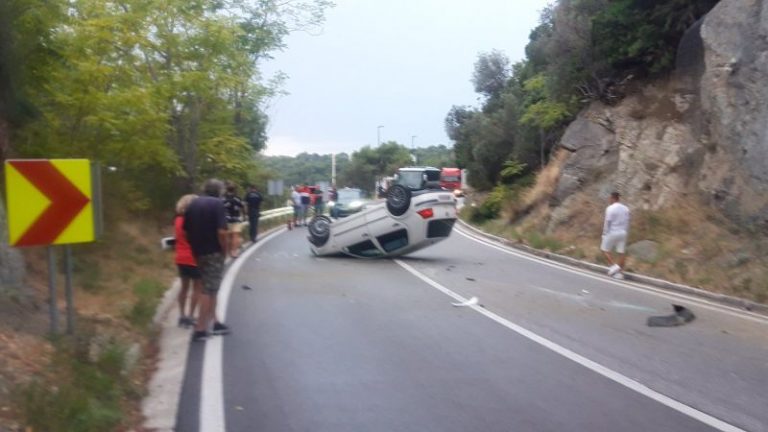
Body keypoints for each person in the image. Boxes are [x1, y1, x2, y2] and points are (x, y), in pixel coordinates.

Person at [184, 179, 231, 342]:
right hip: (213, 251)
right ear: (219, 190)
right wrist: (224, 250)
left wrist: (194, 247)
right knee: (208, 290)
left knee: (211, 287)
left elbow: (185, 230)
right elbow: (222, 232)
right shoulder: (217, 204)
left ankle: (215, 322)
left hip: (198, 252)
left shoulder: (193, 203)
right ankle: (201, 328)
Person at [174, 194, 202, 328]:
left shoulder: (178, 220)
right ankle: (191, 316)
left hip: (181, 258)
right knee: (197, 288)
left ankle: (182, 316)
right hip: (194, 258)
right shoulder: (195, 221)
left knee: (184, 287)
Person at [601, 191, 631, 279]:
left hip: (612, 231)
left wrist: (604, 233)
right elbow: (627, 220)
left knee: (604, 250)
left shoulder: (610, 208)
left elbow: (607, 222)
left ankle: (614, 266)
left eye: (610, 198)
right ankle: (620, 273)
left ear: (613, 198)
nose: (609, 200)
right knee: (621, 252)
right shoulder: (626, 208)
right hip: (623, 232)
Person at [222, 184, 245, 258]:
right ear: (234, 190)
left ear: (226, 190)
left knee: (228, 236)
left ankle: (228, 252)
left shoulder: (223, 199)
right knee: (235, 236)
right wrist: (244, 216)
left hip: (226, 219)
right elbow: (243, 207)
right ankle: (234, 252)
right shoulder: (237, 198)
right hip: (236, 219)